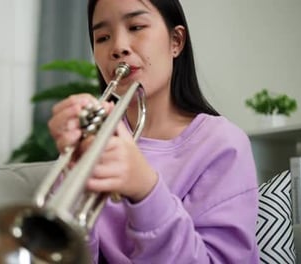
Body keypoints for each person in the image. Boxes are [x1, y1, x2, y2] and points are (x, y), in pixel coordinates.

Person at [48, 0, 259, 263]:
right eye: (102, 37)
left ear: (176, 41)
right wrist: (75, 178)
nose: (117, 47)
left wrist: (146, 188)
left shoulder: (224, 145)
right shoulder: (92, 138)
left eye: (136, 26)